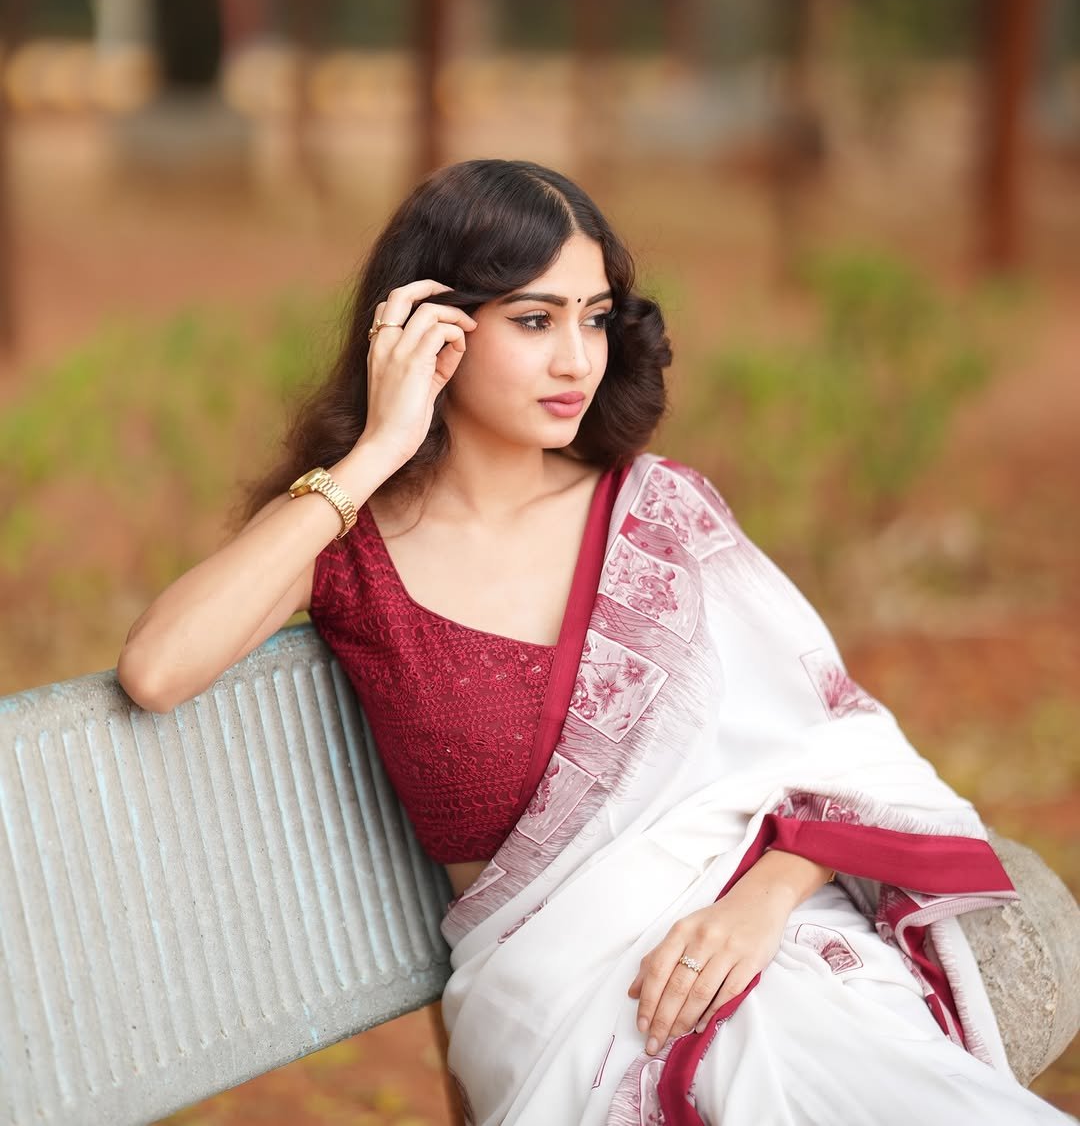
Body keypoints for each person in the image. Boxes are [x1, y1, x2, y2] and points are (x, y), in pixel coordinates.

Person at [117, 158, 1075, 1126]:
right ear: (431, 329)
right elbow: (157, 668)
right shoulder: (352, 551)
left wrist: (763, 900)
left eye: (596, 317)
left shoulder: (659, 516)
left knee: (805, 1044)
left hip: (765, 943)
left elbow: (833, 742)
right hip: (565, 1009)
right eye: (535, 321)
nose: (578, 360)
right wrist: (375, 451)